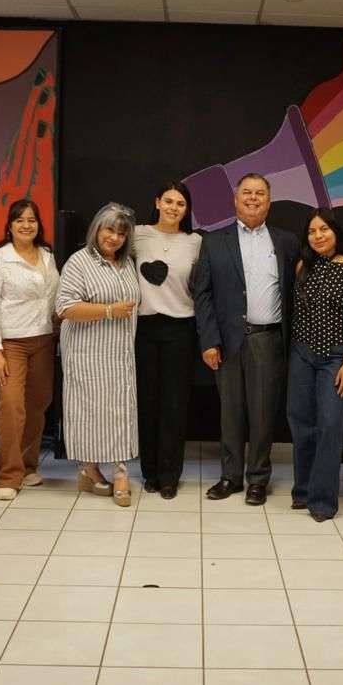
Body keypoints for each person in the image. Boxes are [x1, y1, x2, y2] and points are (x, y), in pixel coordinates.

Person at [193, 173, 301, 506]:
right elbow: (203, 294)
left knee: (263, 414)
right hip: (226, 341)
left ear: (269, 201)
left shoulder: (286, 241)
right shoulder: (213, 241)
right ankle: (230, 477)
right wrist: (209, 340)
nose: (253, 198)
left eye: (260, 193)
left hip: (268, 339)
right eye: (247, 193)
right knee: (230, 413)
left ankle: (258, 479)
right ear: (235, 199)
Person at [287, 209, 343, 522]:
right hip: (301, 354)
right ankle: (303, 491)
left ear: (336, 232)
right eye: (312, 231)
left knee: (329, 424)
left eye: (324, 229)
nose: (318, 236)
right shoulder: (303, 266)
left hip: (336, 357)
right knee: (300, 421)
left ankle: (323, 501)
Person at [56, 202, 141, 507]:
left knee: (120, 412)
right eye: (109, 230)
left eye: (121, 233)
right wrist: (108, 311)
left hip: (120, 354)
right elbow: (64, 307)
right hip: (87, 353)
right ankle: (89, 469)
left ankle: (119, 470)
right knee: (89, 413)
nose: (114, 238)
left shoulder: (127, 263)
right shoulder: (79, 262)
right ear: (96, 229)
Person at [0, 198, 59, 502]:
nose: (26, 225)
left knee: (38, 403)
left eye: (32, 220)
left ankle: (28, 465)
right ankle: (9, 475)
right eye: (20, 220)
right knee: (11, 406)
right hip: (11, 342)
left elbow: (54, 299)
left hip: (44, 340)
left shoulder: (48, 256)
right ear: (9, 226)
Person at [134, 182, 202, 499]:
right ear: (157, 202)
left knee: (174, 404)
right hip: (144, 328)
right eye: (169, 201)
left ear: (187, 210)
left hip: (181, 328)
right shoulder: (137, 234)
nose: (174, 208)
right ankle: (149, 471)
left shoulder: (195, 242)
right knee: (147, 401)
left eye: (181, 204)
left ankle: (169, 475)